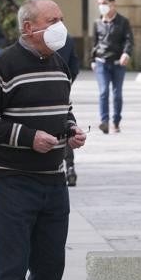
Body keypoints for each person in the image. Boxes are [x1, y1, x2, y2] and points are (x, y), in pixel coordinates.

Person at [0, 0, 87, 280]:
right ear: (28, 27)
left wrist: (71, 129)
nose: (60, 26)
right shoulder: (2, 65)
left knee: (50, 273)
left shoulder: (60, 64)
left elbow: (64, 110)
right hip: (13, 183)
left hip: (54, 184)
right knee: (12, 272)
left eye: (61, 19)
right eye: (52, 21)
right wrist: (28, 137)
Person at [91, 0, 134, 134]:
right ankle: (104, 122)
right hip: (101, 62)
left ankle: (116, 122)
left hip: (117, 63)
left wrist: (126, 54)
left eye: (104, 3)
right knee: (103, 92)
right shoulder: (97, 23)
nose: (101, 6)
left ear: (113, 4)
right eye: (99, 4)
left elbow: (129, 40)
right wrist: (92, 60)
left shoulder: (123, 22)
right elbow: (94, 43)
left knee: (117, 94)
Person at [57, 33, 80, 186]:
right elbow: (75, 67)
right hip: (62, 88)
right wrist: (67, 82)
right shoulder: (68, 39)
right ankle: (70, 167)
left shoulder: (36, 40)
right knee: (63, 123)